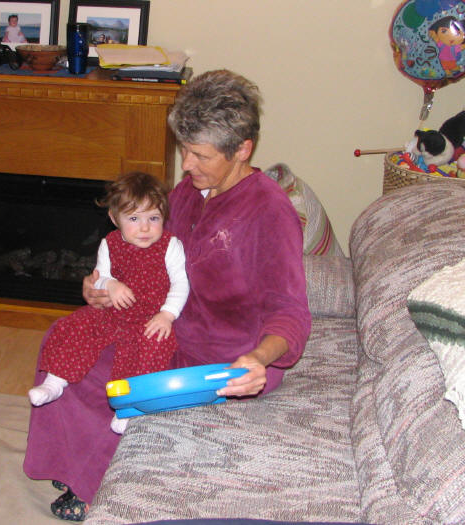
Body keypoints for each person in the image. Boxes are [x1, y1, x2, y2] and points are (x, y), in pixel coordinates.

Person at [24, 69, 311, 522]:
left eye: (200, 154)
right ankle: (71, 460)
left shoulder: (269, 212)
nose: (186, 164)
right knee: (64, 340)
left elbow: (291, 310)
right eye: (184, 149)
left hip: (221, 360)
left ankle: (97, 484)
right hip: (163, 326)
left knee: (121, 385)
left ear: (242, 150)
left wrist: (258, 359)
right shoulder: (190, 192)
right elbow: (146, 252)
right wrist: (99, 285)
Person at [27, 172, 189, 435]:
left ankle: (129, 407)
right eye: (134, 219)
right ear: (115, 219)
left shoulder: (170, 246)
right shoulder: (109, 243)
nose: (145, 228)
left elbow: (181, 283)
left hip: (150, 318)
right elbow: (100, 276)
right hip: (114, 313)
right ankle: (55, 381)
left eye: (154, 218)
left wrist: (167, 315)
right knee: (76, 324)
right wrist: (110, 284)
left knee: (151, 349)